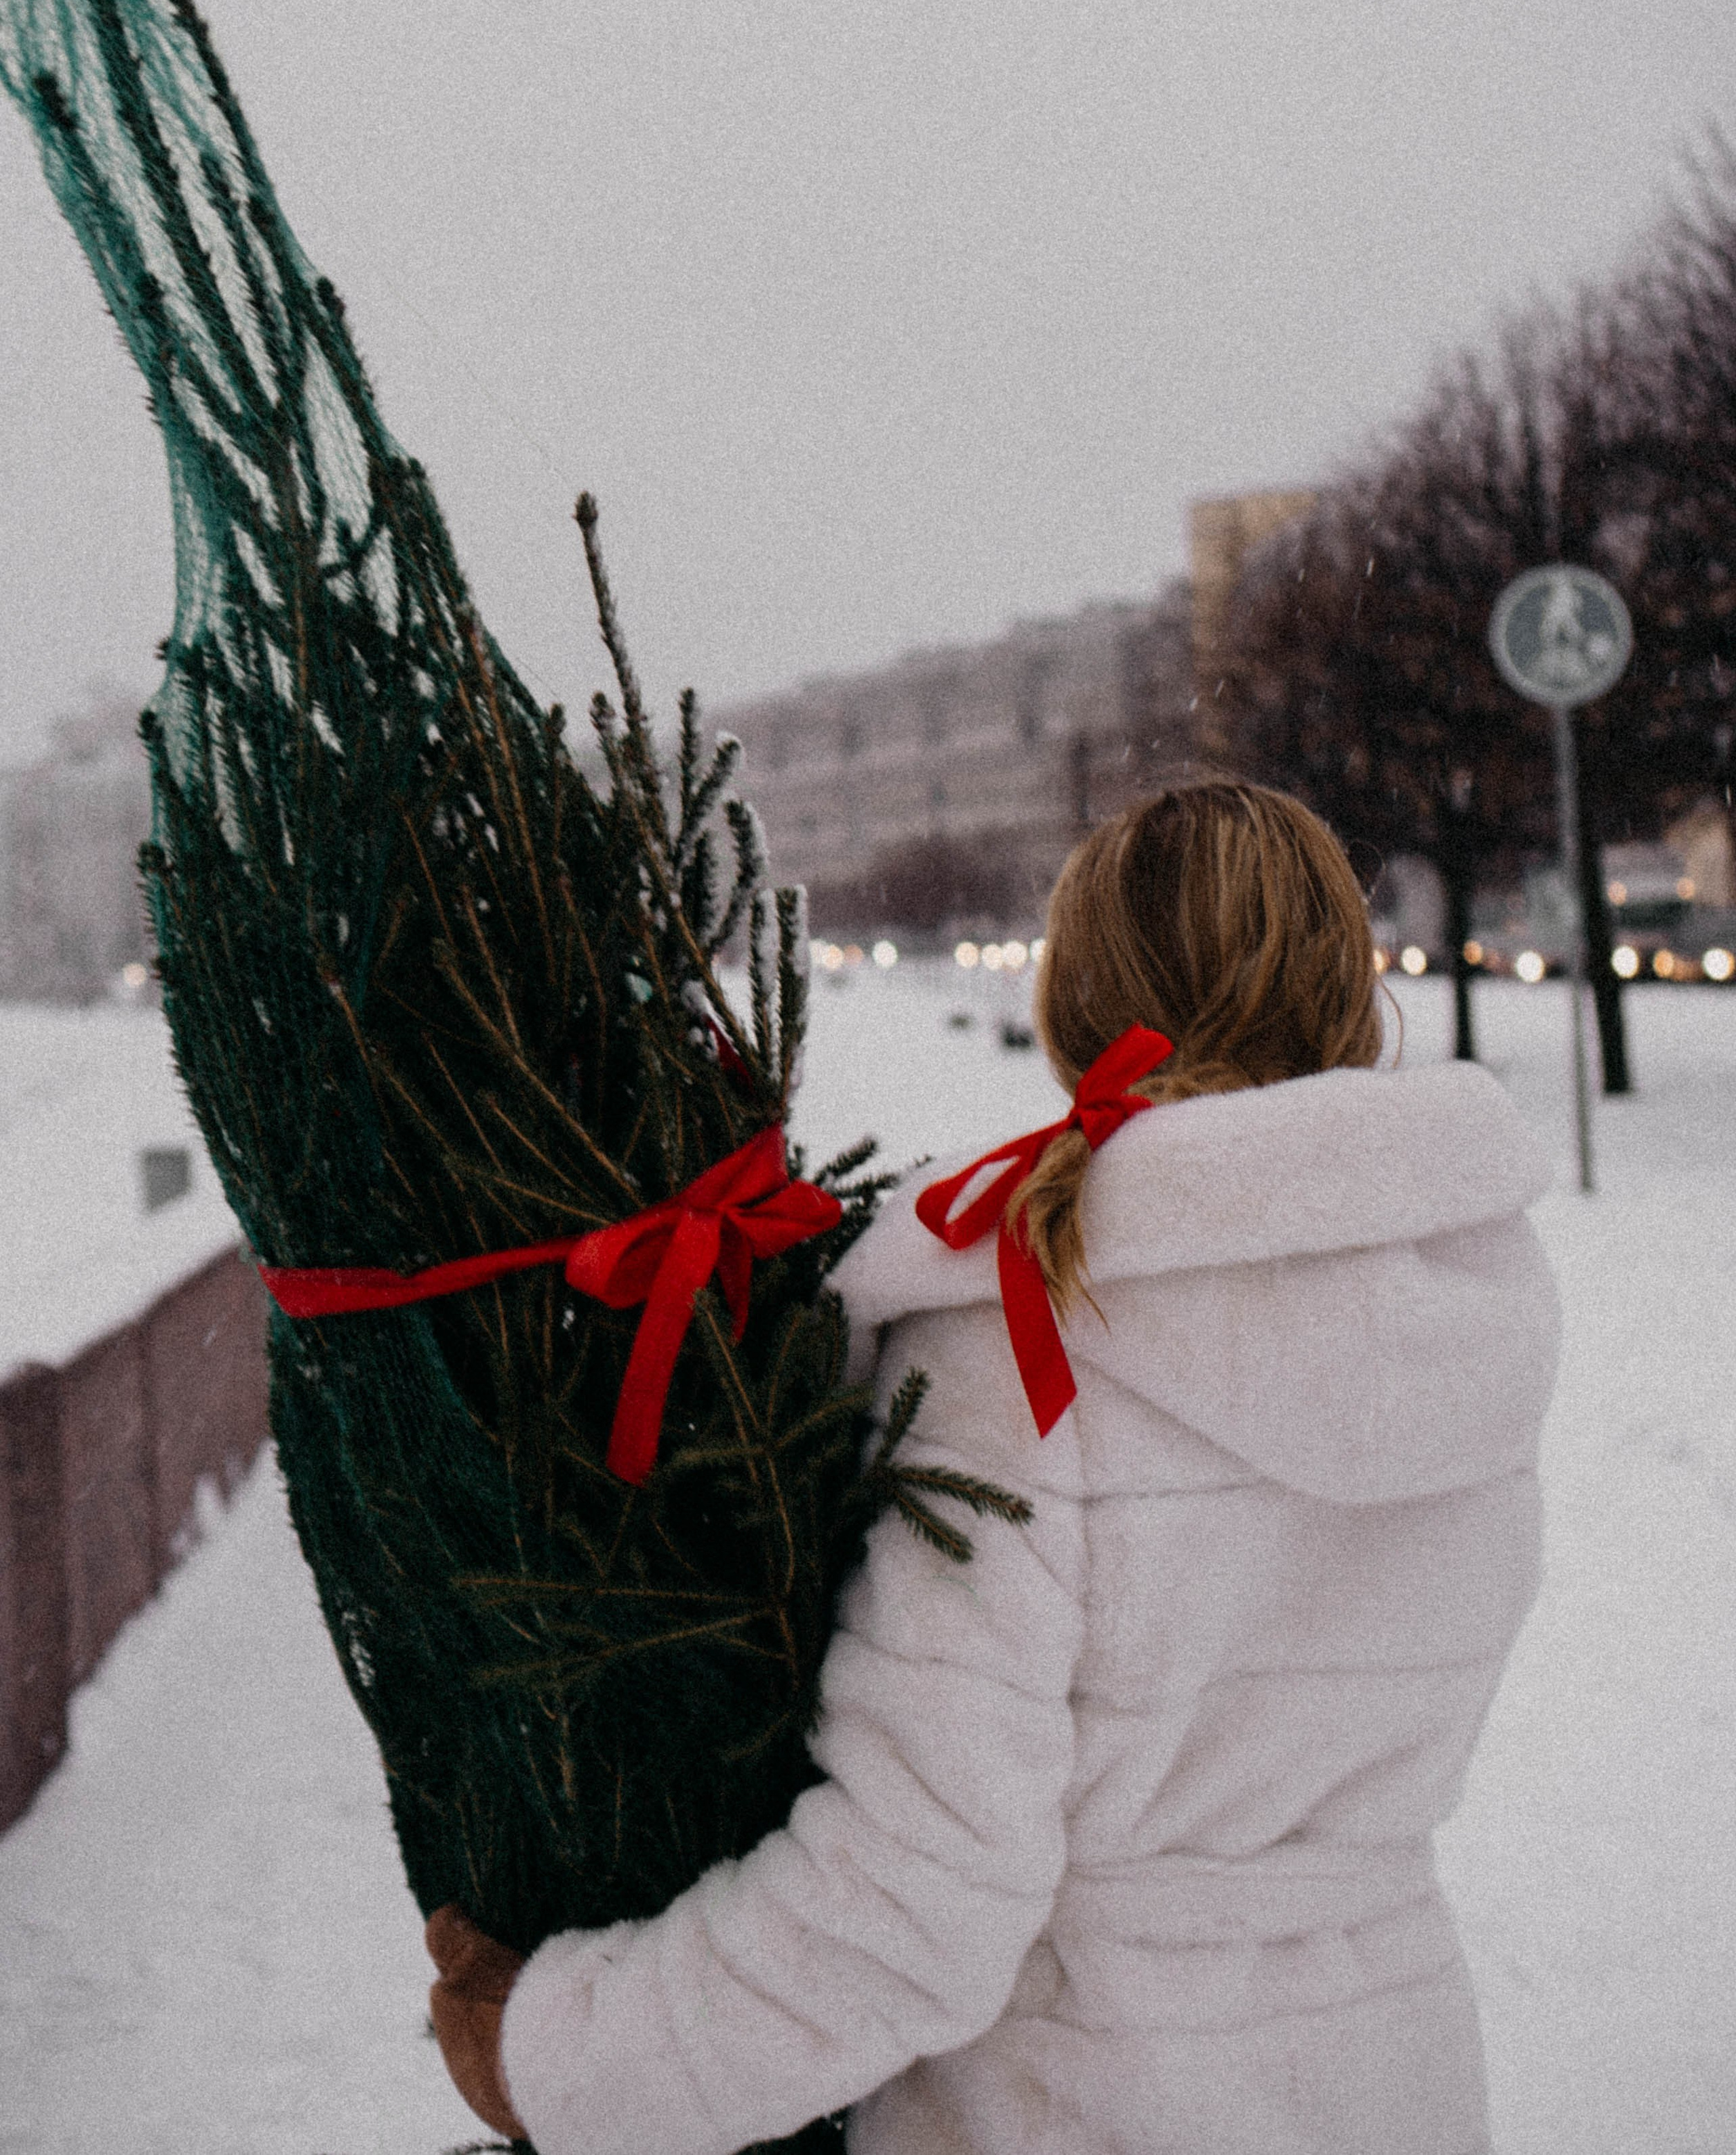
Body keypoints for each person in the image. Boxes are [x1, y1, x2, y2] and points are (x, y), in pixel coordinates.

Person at [430, 782, 1560, 2155]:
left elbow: (912, 1908)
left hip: (1084, 2100)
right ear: (1346, 985)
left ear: (1076, 998)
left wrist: (561, 2052)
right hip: (1384, 2082)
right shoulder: (1460, 1317)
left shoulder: (1026, 1346)